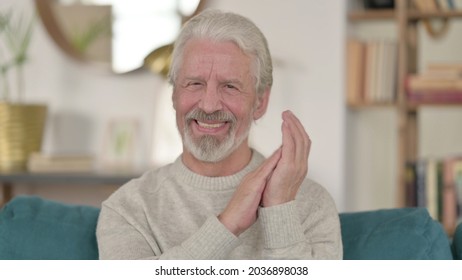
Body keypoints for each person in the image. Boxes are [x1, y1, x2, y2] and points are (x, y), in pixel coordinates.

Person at [96, 9, 343, 260]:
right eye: (195, 83)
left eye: (230, 86)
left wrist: (279, 210)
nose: (209, 105)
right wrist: (227, 225)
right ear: (174, 95)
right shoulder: (127, 210)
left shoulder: (312, 205)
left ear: (260, 102)